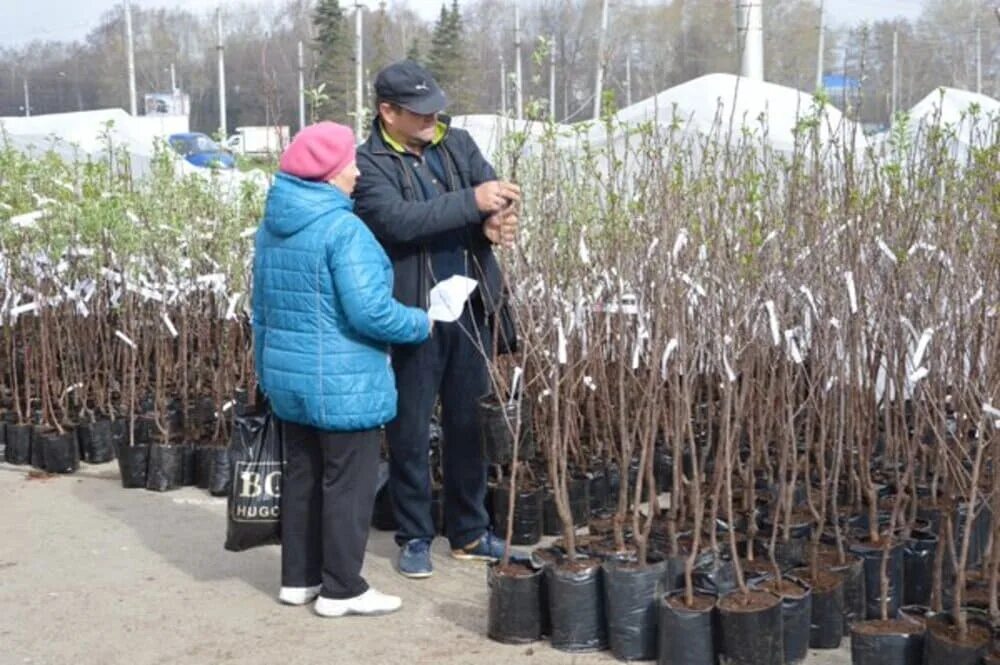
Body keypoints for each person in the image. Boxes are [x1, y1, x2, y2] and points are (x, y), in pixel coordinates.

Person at [252, 122, 431, 616]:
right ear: (330, 175)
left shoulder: (272, 226)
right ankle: (342, 589)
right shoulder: (343, 229)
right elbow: (369, 311)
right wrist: (420, 321)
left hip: (288, 379)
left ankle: (299, 579)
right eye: (349, 164)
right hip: (344, 383)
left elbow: (260, 310)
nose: (356, 172)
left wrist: (267, 373)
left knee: (304, 477)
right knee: (348, 487)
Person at [353, 59, 521, 579]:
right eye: (419, 112)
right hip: (412, 315)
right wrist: (473, 202)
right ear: (387, 111)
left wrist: (498, 219)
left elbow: (493, 196)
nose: (431, 119)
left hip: (471, 306)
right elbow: (399, 222)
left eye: (434, 109)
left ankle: (470, 530)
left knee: (468, 422)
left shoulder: (459, 143)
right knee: (408, 429)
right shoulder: (370, 163)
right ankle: (415, 534)